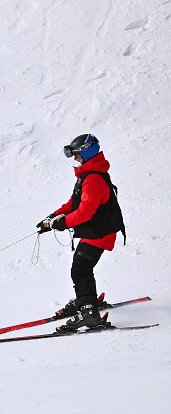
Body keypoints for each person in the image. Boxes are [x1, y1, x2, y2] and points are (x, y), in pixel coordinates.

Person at [37, 134, 125, 333]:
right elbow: (73, 203)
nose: (75, 161)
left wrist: (62, 223)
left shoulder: (93, 179)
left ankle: (89, 312)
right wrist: (52, 217)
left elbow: (85, 213)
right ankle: (86, 301)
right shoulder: (88, 175)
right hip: (95, 232)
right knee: (81, 268)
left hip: (100, 233)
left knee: (80, 269)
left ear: (86, 154)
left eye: (77, 157)